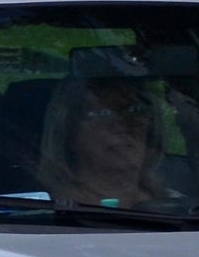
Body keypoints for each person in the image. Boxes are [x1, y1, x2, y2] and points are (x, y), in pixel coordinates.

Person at [38, 75, 176, 209]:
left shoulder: (183, 209)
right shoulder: (44, 212)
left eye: (134, 110)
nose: (122, 125)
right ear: (69, 133)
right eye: (102, 114)